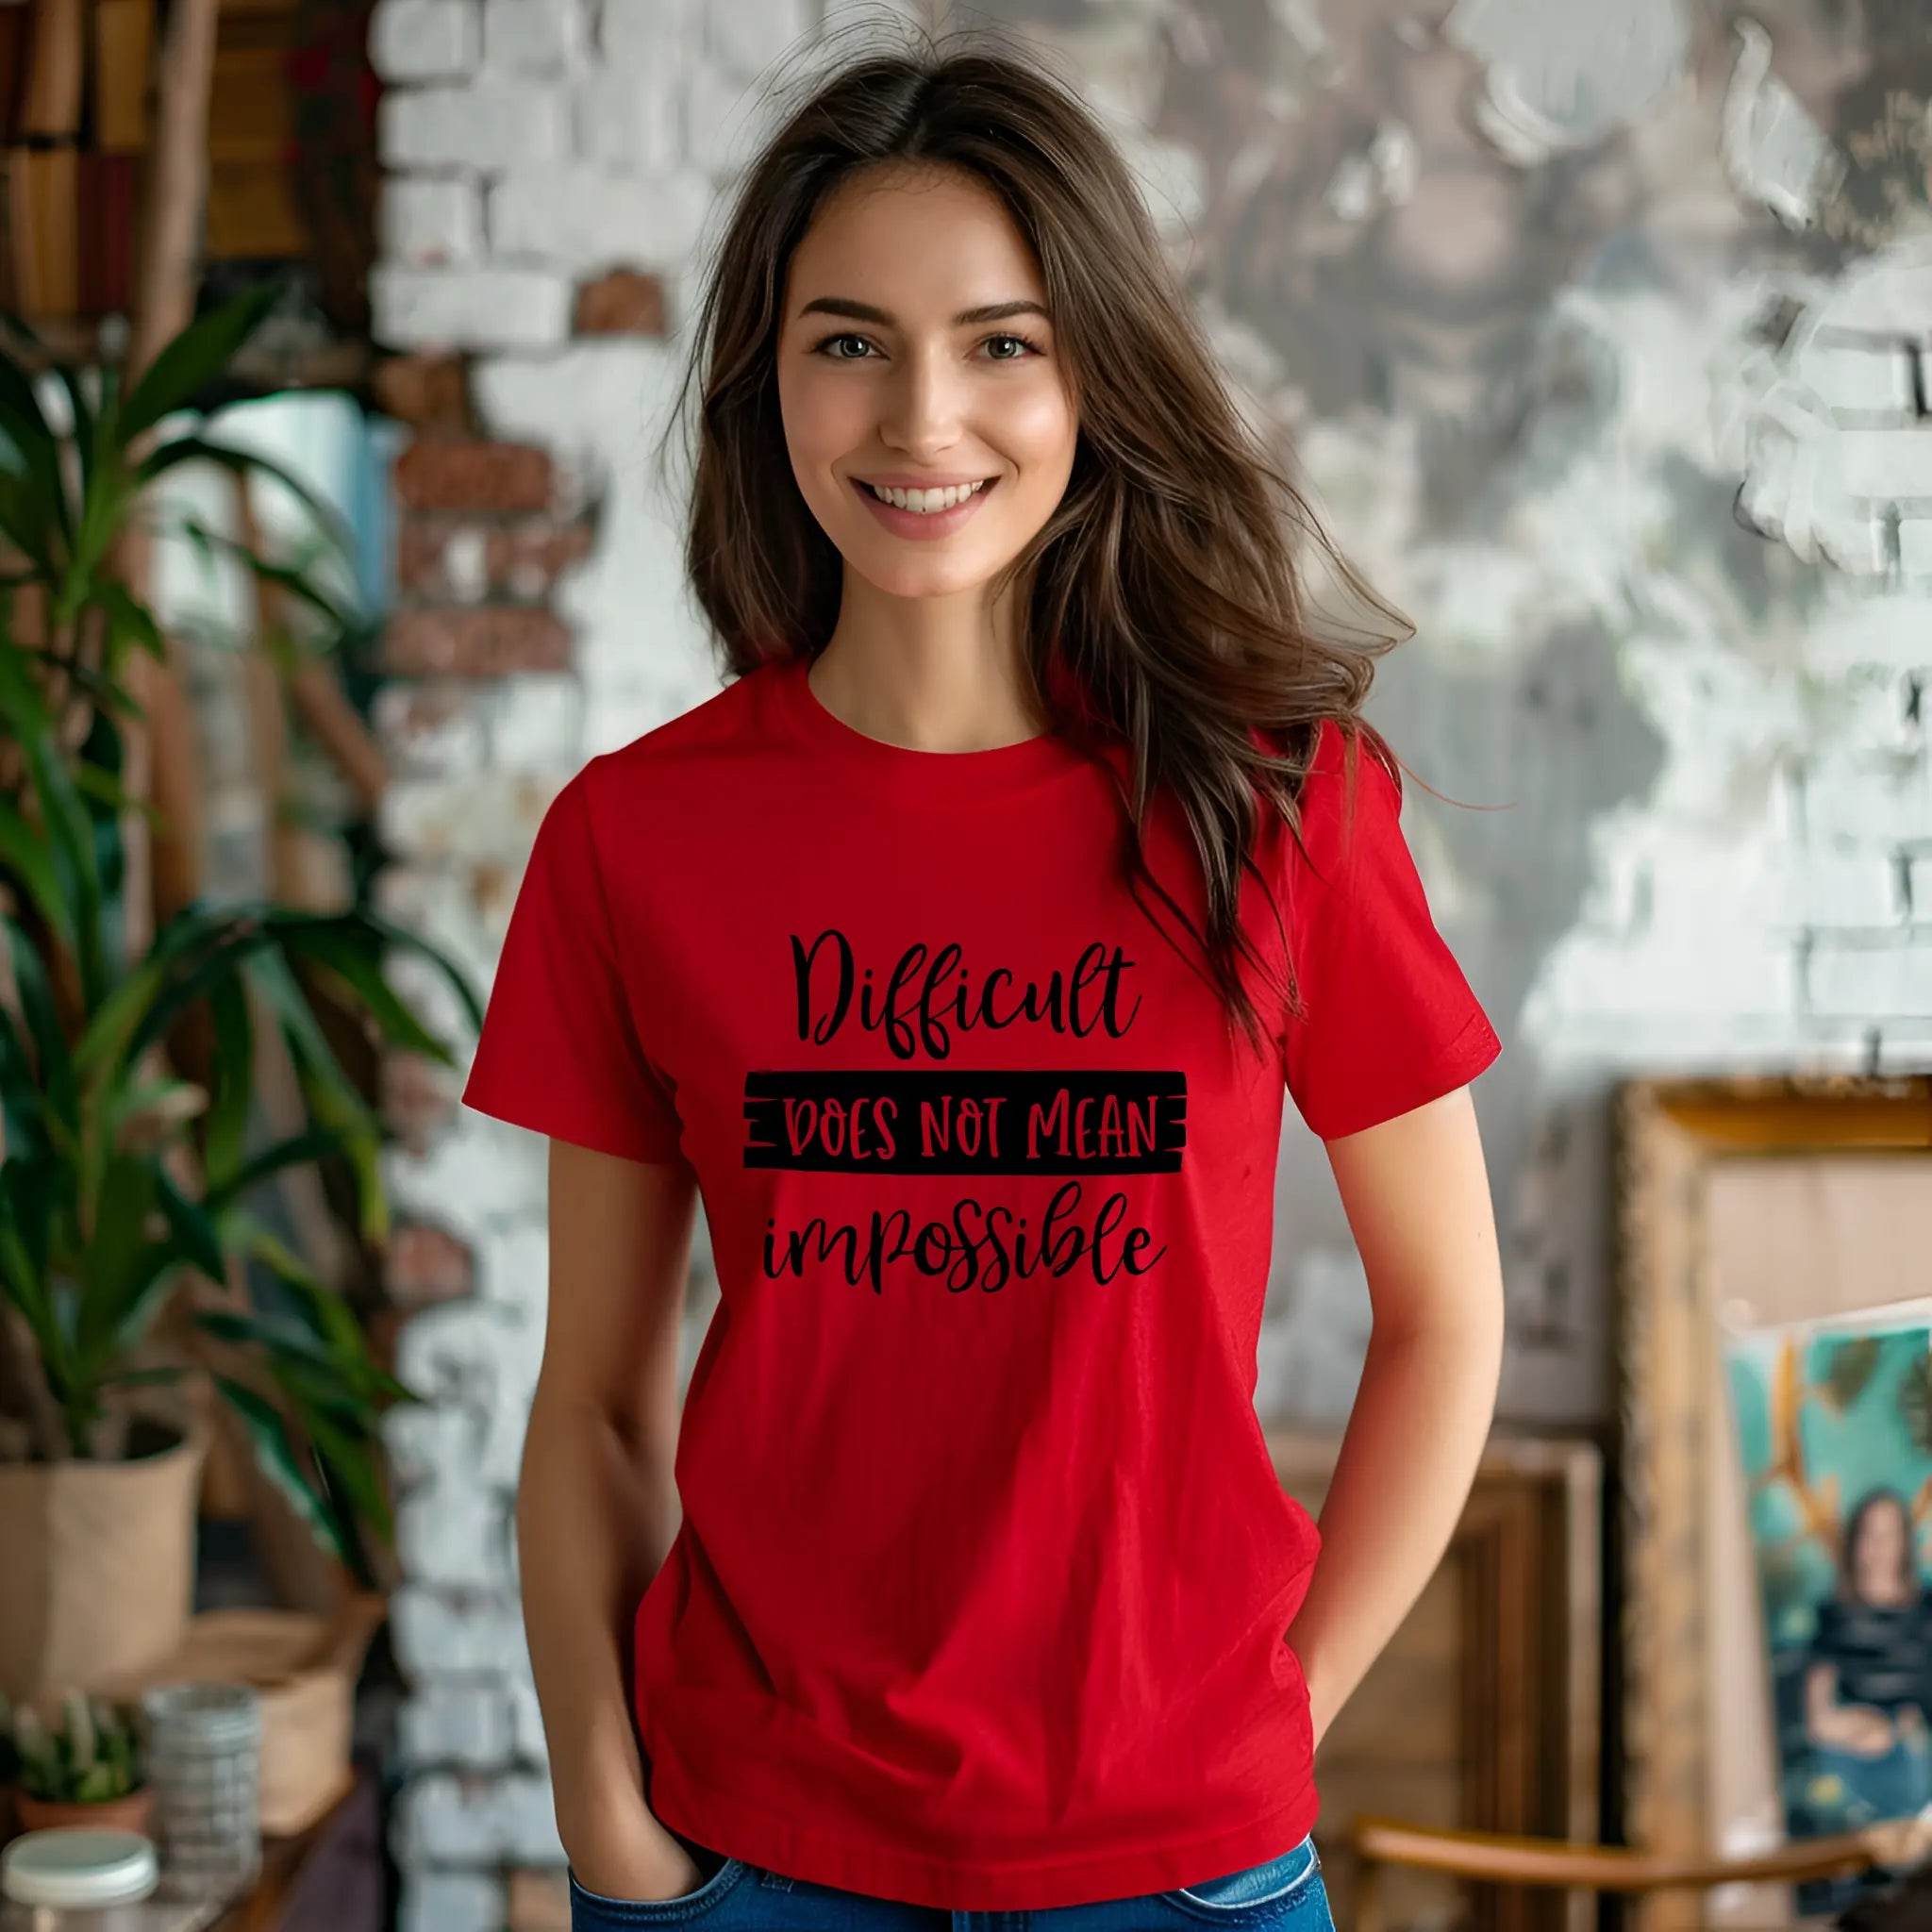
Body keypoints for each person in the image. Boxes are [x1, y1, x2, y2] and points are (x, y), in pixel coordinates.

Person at [459, 28, 1506, 1932]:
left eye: (1000, 342)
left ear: (1090, 371)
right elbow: (595, 1403)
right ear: (766, 381)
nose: (917, 418)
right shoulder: (633, 843)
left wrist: (1277, 1716)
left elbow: (1445, 1319)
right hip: (748, 1857)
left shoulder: (1284, 807)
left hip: (1176, 1867)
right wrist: (605, 1821)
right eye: (847, 340)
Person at [1805, 1487, 1932, 1825]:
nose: (1879, 1547)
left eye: (1890, 1535)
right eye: (1870, 1534)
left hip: (1913, 1750)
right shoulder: (1833, 1614)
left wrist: (1894, 1732)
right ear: (1855, 1543)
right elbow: (1818, 1717)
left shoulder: (1927, 1608)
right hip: (1849, 1745)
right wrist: (1852, 1730)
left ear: (1905, 1542)